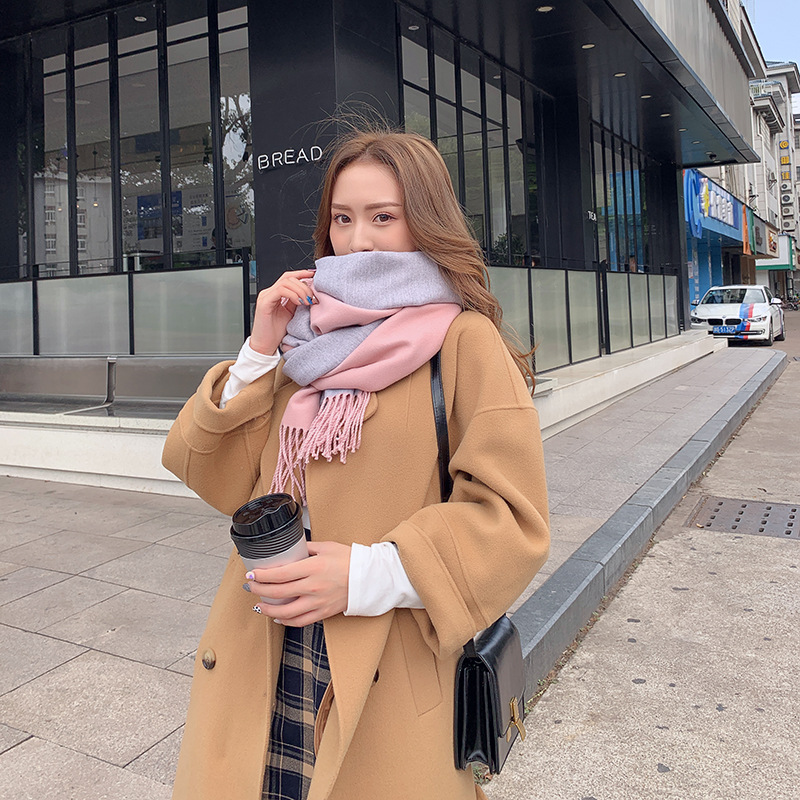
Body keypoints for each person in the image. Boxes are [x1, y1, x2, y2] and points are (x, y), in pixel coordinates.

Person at [162, 128, 550, 800]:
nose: (358, 240)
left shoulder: (464, 340)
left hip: (383, 667)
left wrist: (368, 574)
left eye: (382, 217)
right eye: (342, 219)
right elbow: (221, 480)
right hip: (266, 647)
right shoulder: (305, 342)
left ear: (424, 222)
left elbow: (513, 520)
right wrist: (257, 352)